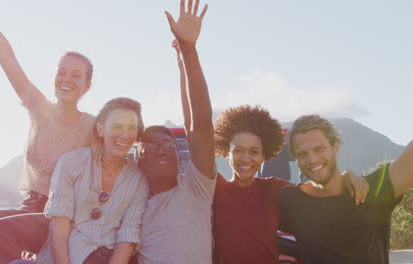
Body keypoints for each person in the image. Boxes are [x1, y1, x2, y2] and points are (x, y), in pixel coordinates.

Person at [171, 24, 369, 264]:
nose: (246, 159)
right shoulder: (215, 189)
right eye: (239, 151)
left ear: (264, 155)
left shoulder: (275, 189)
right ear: (225, 152)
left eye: (254, 152)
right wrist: (184, 64)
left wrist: (349, 176)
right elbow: (194, 126)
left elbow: (320, 188)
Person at [0, 1, 95, 263]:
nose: (67, 79)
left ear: (87, 86)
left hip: (63, 217)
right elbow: (5, 57)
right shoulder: (40, 110)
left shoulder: (93, 126)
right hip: (27, 209)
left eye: (76, 75)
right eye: (62, 72)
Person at [7, 97, 148, 264]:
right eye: (117, 126)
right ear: (101, 130)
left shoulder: (139, 179)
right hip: (64, 256)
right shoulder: (71, 163)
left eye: (132, 127)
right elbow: (59, 226)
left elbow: (127, 236)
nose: (125, 134)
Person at [136, 0, 216, 263]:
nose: (161, 149)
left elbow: (198, 125)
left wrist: (189, 51)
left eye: (169, 147)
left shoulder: (194, 189)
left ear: (181, 159)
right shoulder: (130, 206)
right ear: (138, 160)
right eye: (151, 145)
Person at [279, 114, 413, 264]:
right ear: (296, 159)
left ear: (335, 147)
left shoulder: (371, 190)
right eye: (302, 154)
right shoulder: (290, 201)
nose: (312, 160)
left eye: (319, 149)